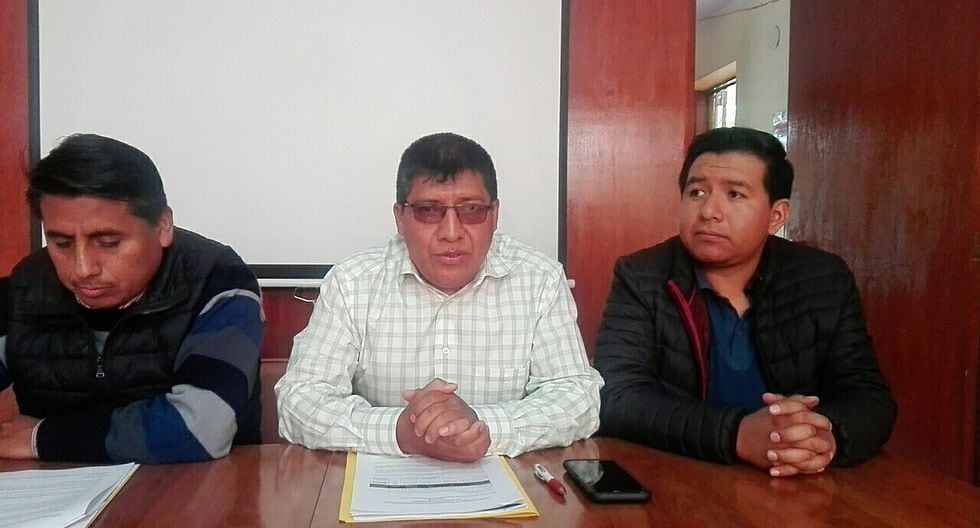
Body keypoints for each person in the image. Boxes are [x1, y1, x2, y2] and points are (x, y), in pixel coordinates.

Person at [276, 132, 602, 462]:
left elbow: (577, 397)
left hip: (508, 480)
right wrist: (400, 432)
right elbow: (299, 400)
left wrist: (480, 427)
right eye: (428, 210)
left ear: (495, 215)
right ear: (400, 218)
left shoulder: (539, 280)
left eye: (471, 209)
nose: (451, 233)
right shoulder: (351, 283)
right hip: (382, 481)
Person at [594, 127, 896, 477]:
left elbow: (868, 396)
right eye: (696, 192)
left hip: (801, 482)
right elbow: (617, 396)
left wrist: (823, 436)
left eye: (735, 194)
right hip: (683, 476)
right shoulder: (642, 276)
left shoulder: (823, 279)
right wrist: (735, 434)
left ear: (776, 216)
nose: (709, 211)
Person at [0, 134, 263, 463]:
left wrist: (42, 438)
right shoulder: (24, 286)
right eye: (62, 244)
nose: (83, 269)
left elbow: (199, 429)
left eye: (109, 243)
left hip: (203, 485)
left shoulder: (217, 279)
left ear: (163, 226)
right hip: (60, 485)